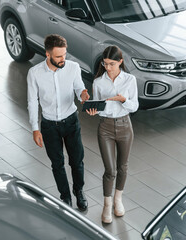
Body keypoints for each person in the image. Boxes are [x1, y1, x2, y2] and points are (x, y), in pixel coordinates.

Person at [27, 34, 90, 211]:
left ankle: (79, 191)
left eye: (64, 55)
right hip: (49, 126)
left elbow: (79, 89)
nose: (63, 59)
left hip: (71, 121)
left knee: (77, 161)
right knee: (57, 164)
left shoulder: (73, 67)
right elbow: (32, 101)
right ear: (48, 54)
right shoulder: (35, 74)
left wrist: (83, 96)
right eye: (58, 56)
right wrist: (35, 128)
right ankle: (66, 198)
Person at [86, 45, 139, 223]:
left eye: (112, 64)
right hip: (106, 128)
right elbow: (99, 107)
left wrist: (123, 100)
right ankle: (107, 205)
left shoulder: (130, 80)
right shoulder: (98, 82)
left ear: (120, 62)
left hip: (125, 126)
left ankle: (118, 200)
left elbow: (135, 106)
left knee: (122, 167)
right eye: (105, 63)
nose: (108, 67)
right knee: (110, 170)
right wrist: (94, 111)